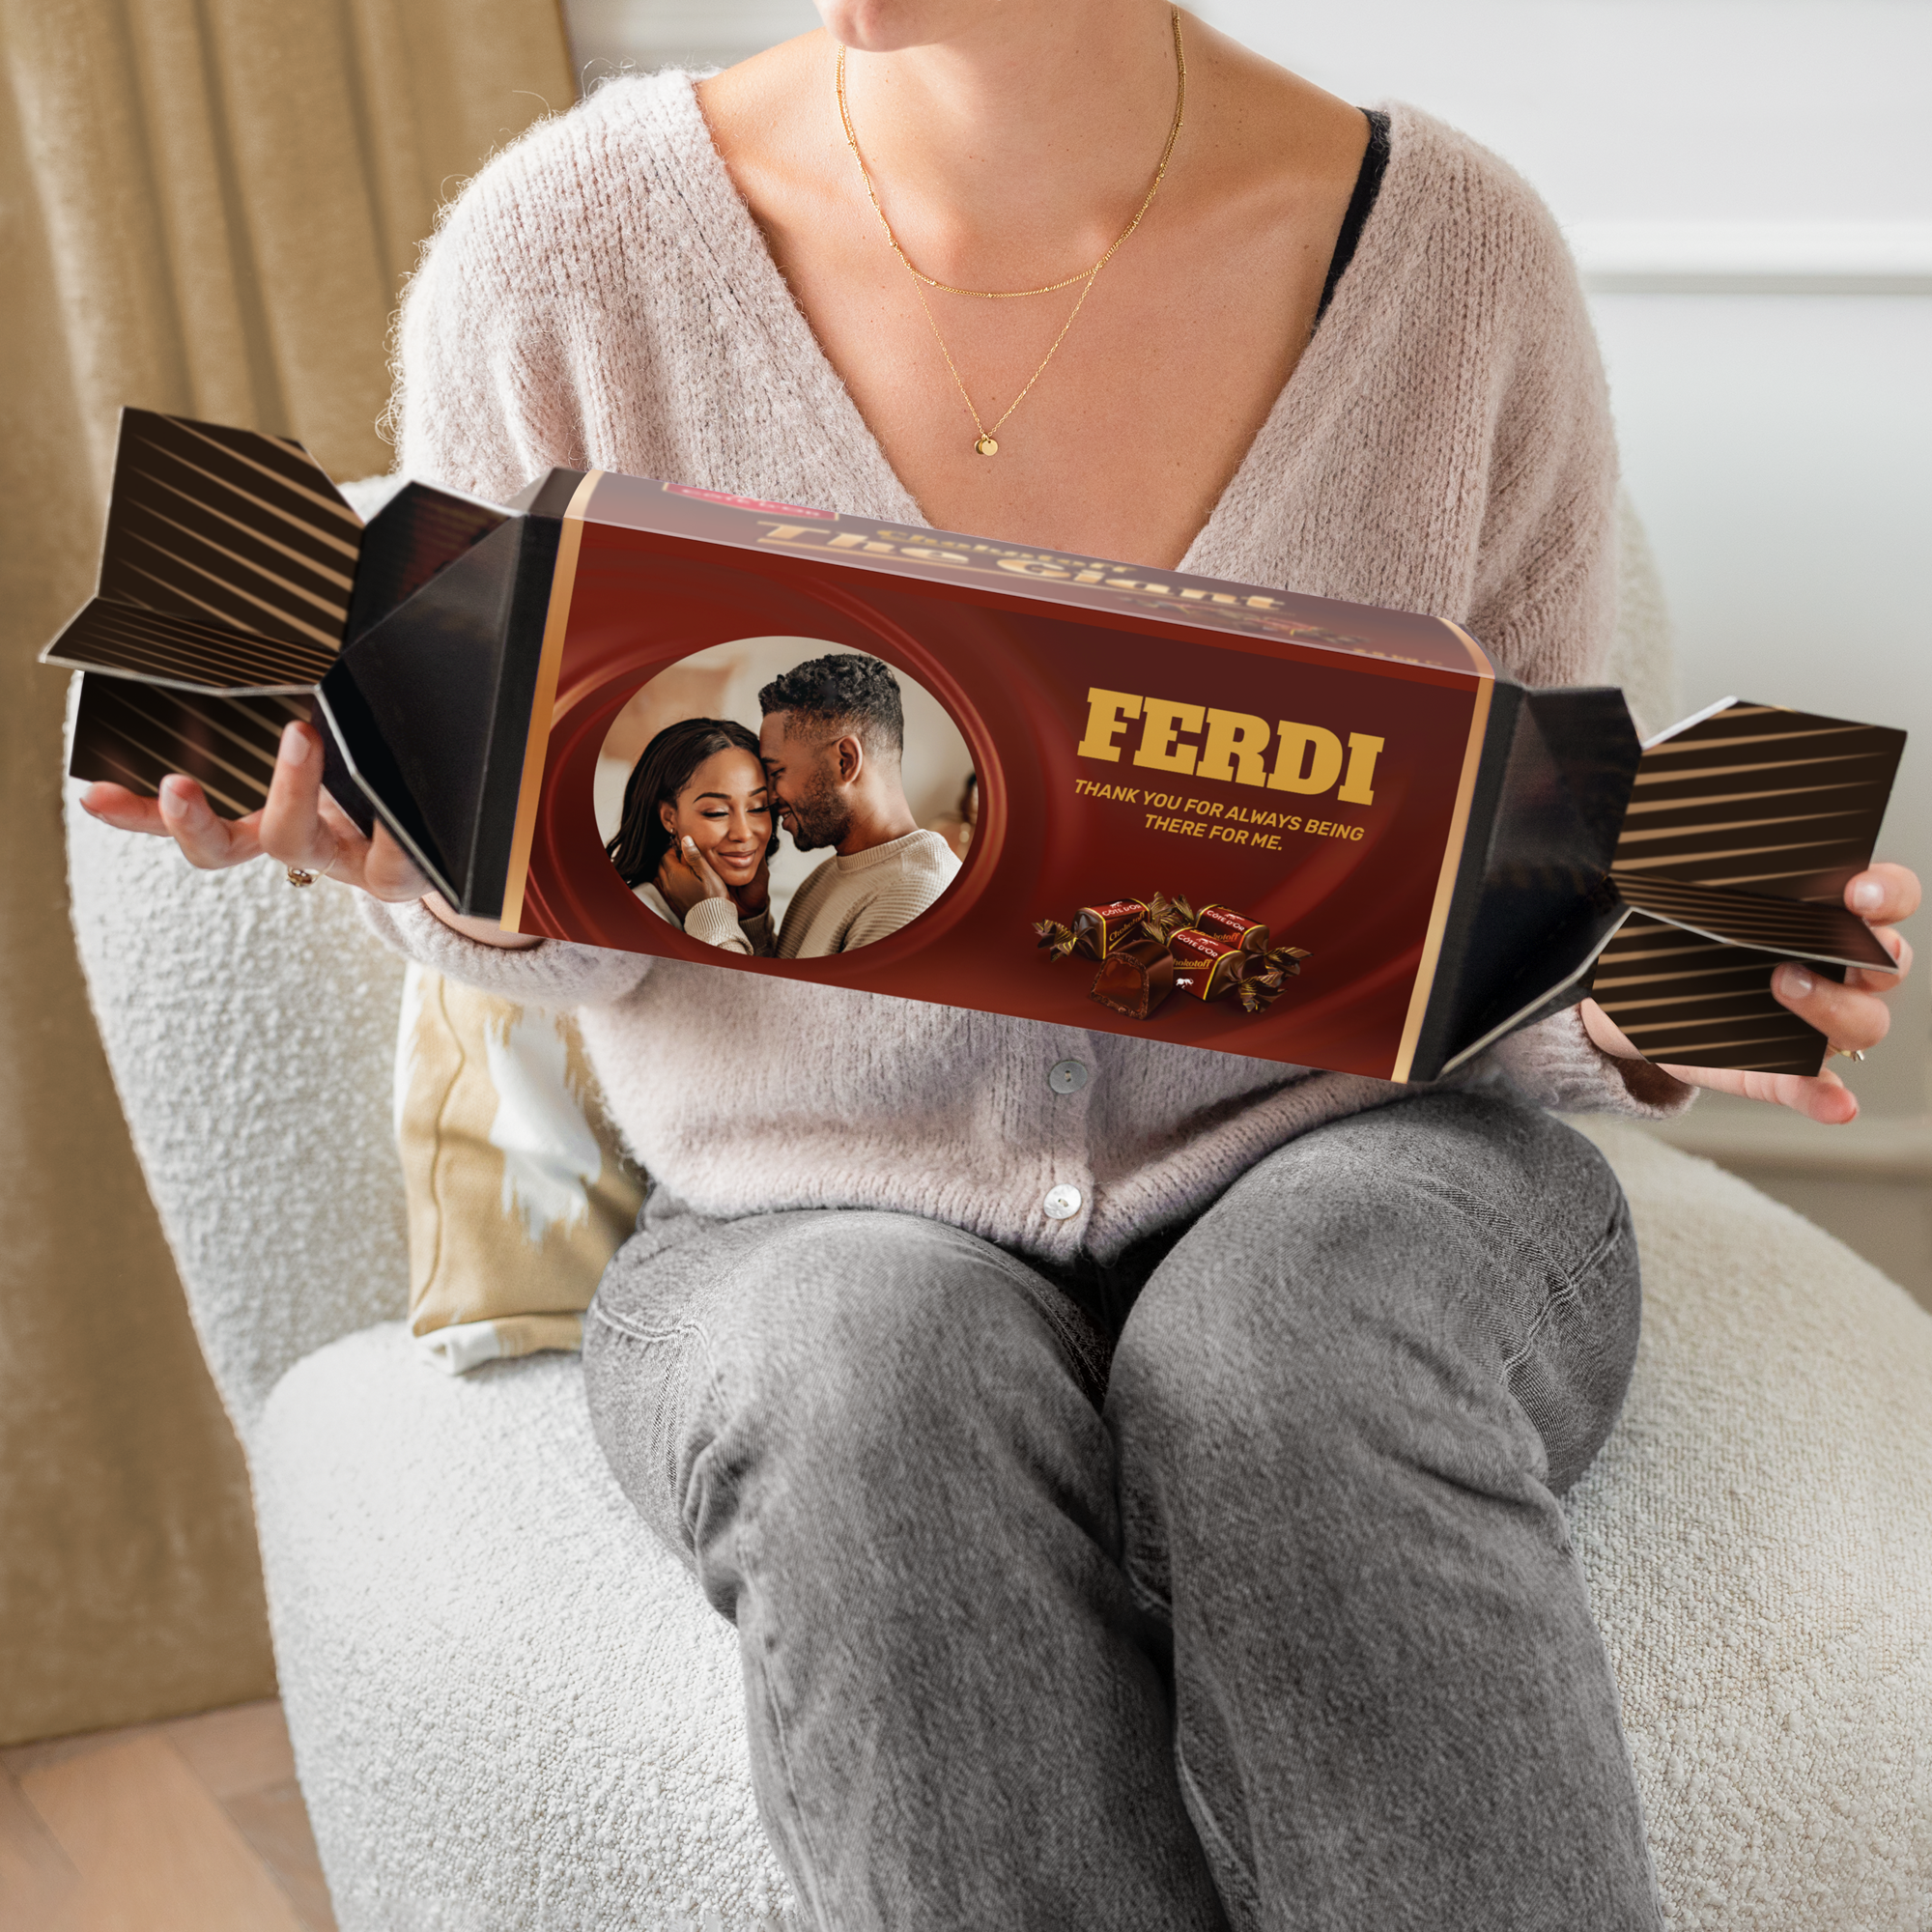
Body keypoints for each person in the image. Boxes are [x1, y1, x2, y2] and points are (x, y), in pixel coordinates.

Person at [80, 3, 1919, 1926]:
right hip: (796, 1214)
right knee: (870, 1373)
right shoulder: (559, 257)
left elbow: (1531, 876)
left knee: (1284, 1349)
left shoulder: (1457, 262)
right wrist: (407, 856)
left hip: (1369, 1179)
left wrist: (1659, 974)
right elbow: (568, 935)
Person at [752, 651, 961, 955]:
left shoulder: (916, 898)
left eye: (776, 772)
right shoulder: (829, 875)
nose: (769, 795)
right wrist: (751, 917)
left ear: (845, 761)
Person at [606, 715, 780, 954]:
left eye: (759, 807)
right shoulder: (624, 928)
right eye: (716, 812)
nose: (743, 833)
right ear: (669, 817)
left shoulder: (750, 906)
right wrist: (710, 912)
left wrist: (752, 922)